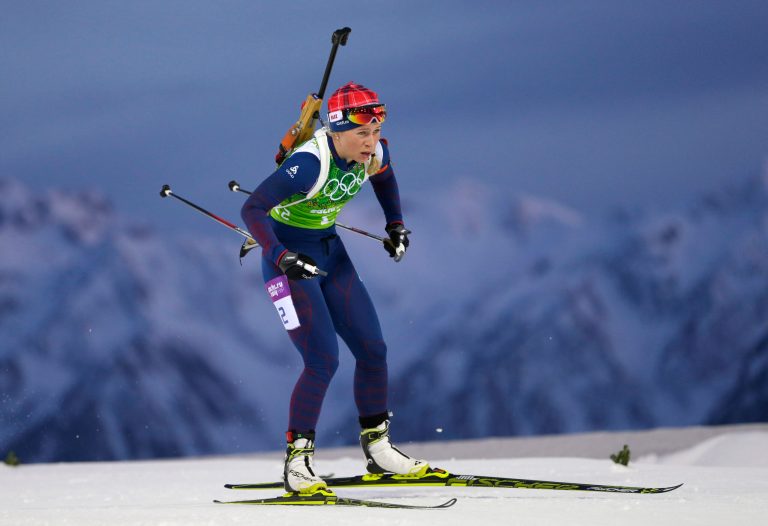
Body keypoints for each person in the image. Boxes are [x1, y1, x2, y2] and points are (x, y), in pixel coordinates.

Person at [241, 81, 430, 494]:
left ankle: (379, 450)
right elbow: (252, 207)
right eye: (362, 133)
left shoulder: (374, 154)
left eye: (376, 131)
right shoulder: (310, 163)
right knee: (323, 359)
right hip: (288, 260)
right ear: (336, 131)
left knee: (372, 349)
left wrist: (395, 224)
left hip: (330, 251)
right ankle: (298, 462)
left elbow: (385, 178)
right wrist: (278, 254)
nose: (371, 142)